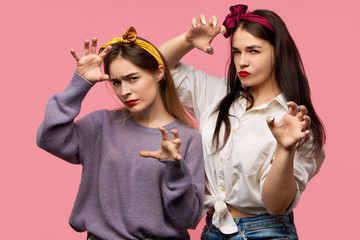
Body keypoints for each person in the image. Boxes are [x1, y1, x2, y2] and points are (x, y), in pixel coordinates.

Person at [159, 4, 326, 240]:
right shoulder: (216, 94)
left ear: (278, 53)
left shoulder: (295, 123)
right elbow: (153, 68)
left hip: (267, 232)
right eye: (237, 52)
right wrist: (188, 40)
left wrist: (285, 149)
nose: (242, 62)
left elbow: (276, 204)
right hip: (213, 230)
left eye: (253, 51)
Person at [36, 27, 204, 240]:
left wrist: (175, 169)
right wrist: (79, 84)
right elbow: (49, 138)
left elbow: (187, 220)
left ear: (159, 73)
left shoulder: (187, 139)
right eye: (116, 82)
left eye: (133, 78)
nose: (124, 91)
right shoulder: (101, 125)